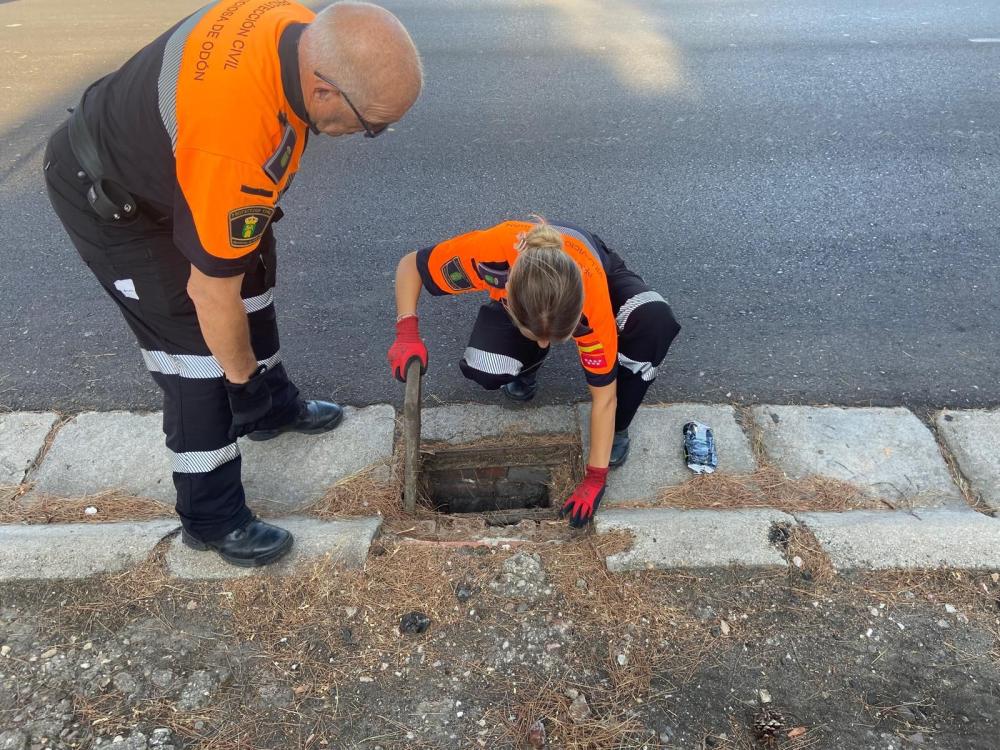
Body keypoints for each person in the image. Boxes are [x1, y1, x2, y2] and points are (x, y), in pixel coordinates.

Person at [43, 1, 423, 567]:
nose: (367, 134)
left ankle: (271, 411)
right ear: (322, 90)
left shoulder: (295, 28)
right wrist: (242, 379)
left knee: (253, 272)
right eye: (370, 126)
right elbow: (210, 294)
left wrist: (258, 391)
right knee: (194, 353)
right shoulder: (236, 139)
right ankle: (212, 517)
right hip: (112, 196)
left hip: (175, 163)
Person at [388, 218, 680, 528]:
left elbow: (604, 397)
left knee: (653, 319)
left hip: (596, 269)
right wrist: (407, 330)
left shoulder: (593, 307)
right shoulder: (488, 255)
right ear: (509, 297)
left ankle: (618, 430)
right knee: (484, 366)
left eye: (555, 338)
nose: (544, 342)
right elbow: (411, 266)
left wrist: (596, 477)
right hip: (528, 278)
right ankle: (525, 368)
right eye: (536, 335)